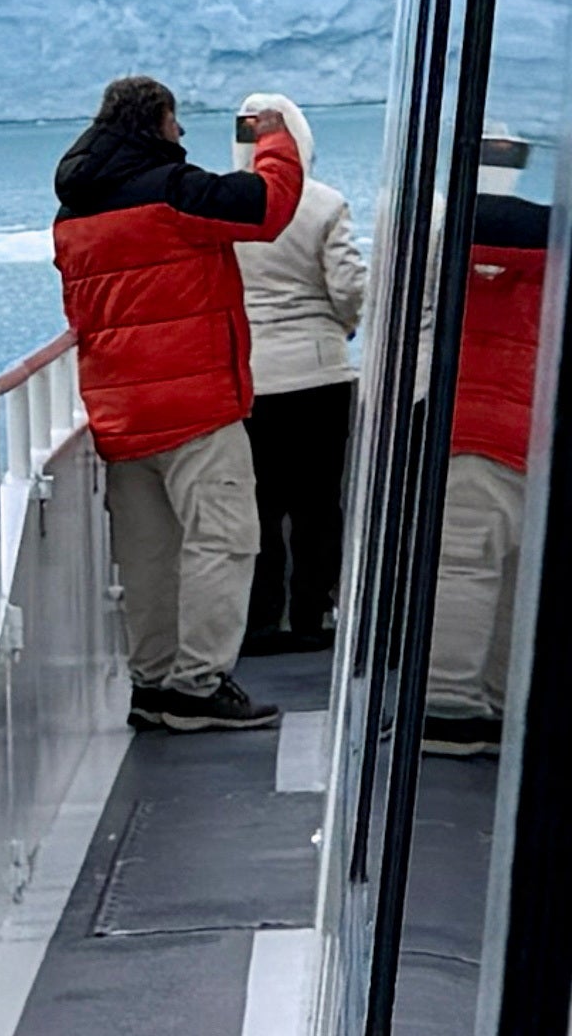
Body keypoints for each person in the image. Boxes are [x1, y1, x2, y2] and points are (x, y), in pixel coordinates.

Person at [49, 77, 299, 731]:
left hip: (120, 412)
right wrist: (274, 138)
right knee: (224, 538)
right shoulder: (173, 192)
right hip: (194, 407)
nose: (181, 134)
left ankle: (153, 682)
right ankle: (197, 684)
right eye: (175, 121)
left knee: (150, 555)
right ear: (156, 121)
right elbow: (267, 208)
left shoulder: (73, 213)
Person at [224, 91, 368, 655]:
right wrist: (342, 327)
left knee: (256, 502)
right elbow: (350, 287)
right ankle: (311, 615)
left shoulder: (223, 204)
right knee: (316, 503)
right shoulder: (325, 203)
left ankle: (260, 621)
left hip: (250, 379)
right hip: (319, 377)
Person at [420, 130, 547, 756]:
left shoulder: (459, 258)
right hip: (534, 439)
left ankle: (447, 705)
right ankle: (495, 702)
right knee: (513, 574)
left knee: (464, 566)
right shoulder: (551, 278)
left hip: (471, 430)